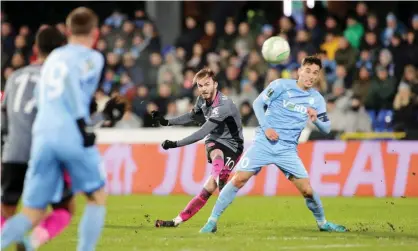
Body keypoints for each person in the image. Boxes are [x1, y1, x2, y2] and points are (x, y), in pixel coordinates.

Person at [200, 56, 347, 233]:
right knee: (239, 179)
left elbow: (327, 128)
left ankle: (323, 223)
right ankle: (212, 221)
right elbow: (258, 103)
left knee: (307, 190)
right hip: (264, 143)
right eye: (307, 71)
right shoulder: (280, 85)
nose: (310, 76)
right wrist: (267, 127)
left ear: (318, 76)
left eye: (315, 73)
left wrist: (316, 120)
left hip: (287, 149)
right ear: (300, 71)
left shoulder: (317, 99)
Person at [1, 7, 107, 251]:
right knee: (96, 197)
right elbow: (76, 94)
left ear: (68, 31)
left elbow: (40, 97)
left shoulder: (53, 59)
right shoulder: (93, 58)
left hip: (41, 137)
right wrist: (88, 122)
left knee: (31, 211)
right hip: (70, 133)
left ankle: (24, 243)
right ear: (96, 33)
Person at [0, 26, 75, 250]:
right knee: (64, 208)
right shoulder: (60, 80)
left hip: (12, 153)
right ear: (62, 50)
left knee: (6, 209)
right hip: (44, 153)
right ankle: (32, 242)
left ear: (35, 48)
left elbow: (4, 123)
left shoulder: (14, 77)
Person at [151, 68, 244, 228]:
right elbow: (191, 116)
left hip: (234, 145)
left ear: (215, 84)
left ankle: (178, 221)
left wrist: (175, 143)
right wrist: (167, 122)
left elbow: (201, 132)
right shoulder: (201, 100)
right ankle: (219, 179)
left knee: (208, 189)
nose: (203, 89)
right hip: (215, 139)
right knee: (216, 153)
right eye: (200, 86)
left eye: (207, 84)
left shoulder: (223, 105)